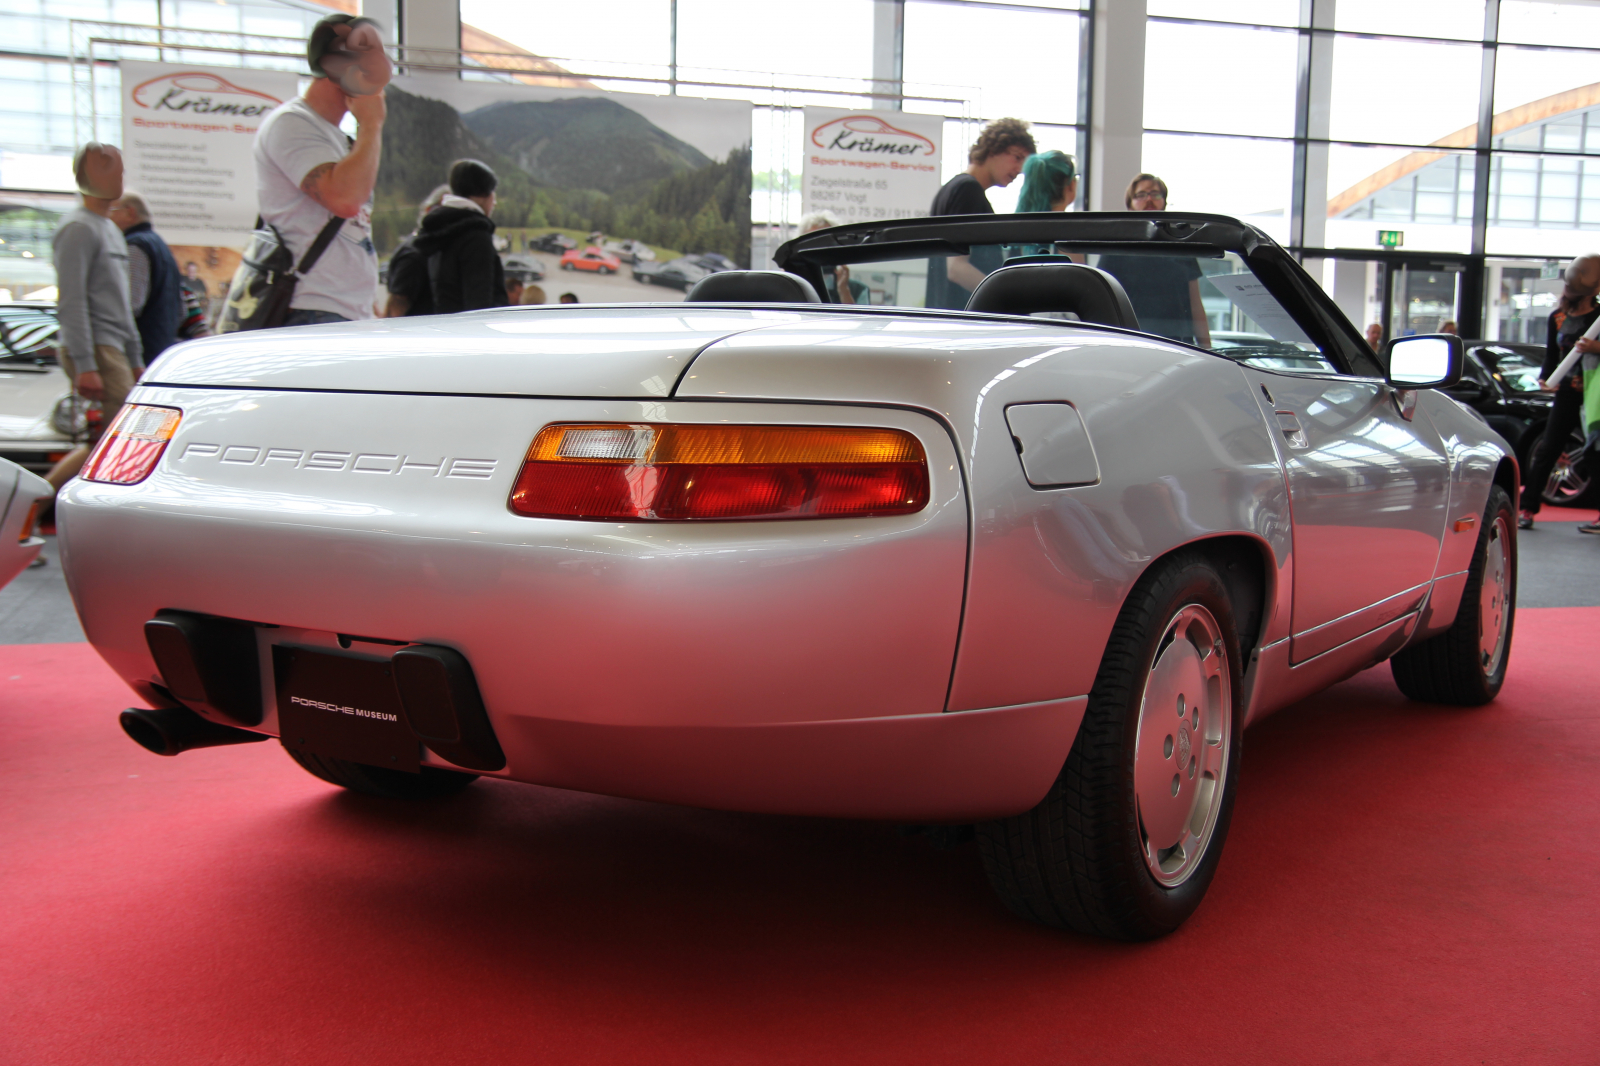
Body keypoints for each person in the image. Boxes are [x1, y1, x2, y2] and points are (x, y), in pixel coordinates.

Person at [253, 12, 386, 327]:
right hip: (312, 310)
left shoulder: (337, 137)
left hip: (345, 311)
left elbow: (354, 227)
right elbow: (345, 200)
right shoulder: (291, 124)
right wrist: (372, 123)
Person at [47, 142, 143, 490]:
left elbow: (120, 302)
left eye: (119, 170)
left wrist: (135, 358)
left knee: (114, 438)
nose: (117, 178)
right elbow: (71, 301)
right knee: (113, 438)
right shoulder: (78, 228)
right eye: (106, 170)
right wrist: (85, 363)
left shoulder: (110, 229)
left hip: (113, 348)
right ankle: (32, 504)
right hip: (97, 348)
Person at [1521, 254, 1600, 530]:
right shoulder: (1557, 317)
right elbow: (1552, 356)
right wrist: (1546, 379)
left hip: (1595, 393)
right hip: (1567, 391)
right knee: (1548, 450)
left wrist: (1595, 349)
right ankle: (1528, 509)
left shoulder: (1599, 318)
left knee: (1594, 451)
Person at [926, 117, 1036, 308]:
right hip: (965, 316)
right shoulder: (967, 190)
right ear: (994, 148)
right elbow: (957, 269)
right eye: (1017, 157)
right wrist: (1006, 299)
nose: (1019, 170)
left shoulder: (950, 189)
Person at [1097, 174, 1212, 347]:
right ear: (1130, 205)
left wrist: (1208, 349)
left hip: (1179, 346)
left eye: (1155, 194)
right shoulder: (1117, 248)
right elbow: (1103, 301)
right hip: (1132, 344)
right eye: (1141, 195)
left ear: (1164, 202)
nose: (1149, 199)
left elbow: (1195, 304)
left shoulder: (1181, 244)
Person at [411, 160, 507, 315]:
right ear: (484, 195)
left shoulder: (436, 229)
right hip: (469, 332)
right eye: (492, 193)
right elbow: (479, 302)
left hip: (442, 326)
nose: (494, 202)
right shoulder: (476, 237)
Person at [108, 191, 184, 364]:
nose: (108, 218)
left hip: (142, 351)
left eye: (112, 210)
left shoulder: (136, 246)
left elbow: (132, 303)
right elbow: (181, 310)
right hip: (162, 345)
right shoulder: (160, 245)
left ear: (130, 212)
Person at [384, 183, 449, 318]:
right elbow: (398, 302)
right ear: (429, 210)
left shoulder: (426, 248)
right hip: (415, 332)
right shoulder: (417, 252)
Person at [799, 211, 867, 303]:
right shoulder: (796, 286)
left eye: (826, 242)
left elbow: (859, 317)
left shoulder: (858, 290)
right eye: (813, 242)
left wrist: (844, 291)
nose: (820, 249)